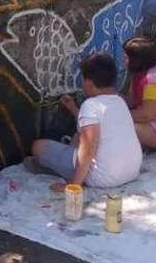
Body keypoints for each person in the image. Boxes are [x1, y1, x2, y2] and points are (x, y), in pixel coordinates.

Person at [26, 53, 142, 189]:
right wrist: (74, 109)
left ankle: (68, 173)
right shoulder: (119, 101)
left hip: (104, 178)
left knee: (38, 147)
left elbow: (89, 148)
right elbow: (92, 128)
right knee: (77, 136)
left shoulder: (91, 105)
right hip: (131, 171)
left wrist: (73, 185)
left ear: (89, 84)